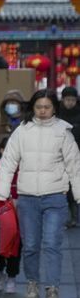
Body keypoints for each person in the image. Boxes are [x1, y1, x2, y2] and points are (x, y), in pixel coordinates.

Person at [0, 89, 80, 298]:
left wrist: (78, 195)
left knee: (52, 245)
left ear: (54, 108)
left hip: (55, 197)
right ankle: (32, 283)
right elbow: (8, 163)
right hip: (27, 198)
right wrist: (1, 194)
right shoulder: (22, 132)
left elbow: (75, 167)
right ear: (32, 107)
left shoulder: (64, 132)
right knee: (31, 245)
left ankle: (52, 289)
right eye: (39, 106)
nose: (42, 111)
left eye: (47, 107)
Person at [0, 137, 20, 294]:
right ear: (0, 150)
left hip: (16, 213)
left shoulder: (20, 169)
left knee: (15, 246)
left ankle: (12, 276)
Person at [57, 86, 80, 228]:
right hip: (60, 155)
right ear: (63, 100)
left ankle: (73, 216)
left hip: (77, 155)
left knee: (74, 185)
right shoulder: (57, 115)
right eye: (67, 100)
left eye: (72, 100)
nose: (70, 102)